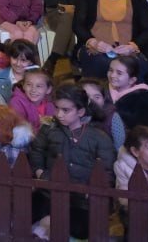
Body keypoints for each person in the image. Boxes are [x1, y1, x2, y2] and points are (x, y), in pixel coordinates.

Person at [29, 83, 116, 240]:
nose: (59, 114)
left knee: (80, 229)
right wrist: (40, 172)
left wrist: (94, 190)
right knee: (24, 214)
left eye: (66, 110)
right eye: (57, 108)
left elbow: (106, 170)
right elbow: (37, 151)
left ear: (80, 111)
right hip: (49, 191)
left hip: (80, 200)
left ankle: (45, 228)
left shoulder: (99, 137)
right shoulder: (49, 129)